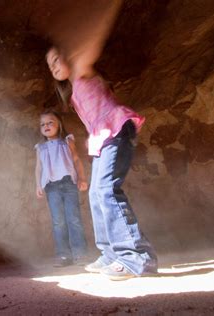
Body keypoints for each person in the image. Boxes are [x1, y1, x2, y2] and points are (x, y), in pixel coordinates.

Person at [45, 39, 158, 279]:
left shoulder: (82, 71)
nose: (52, 67)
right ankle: (110, 253)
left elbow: (89, 44)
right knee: (96, 194)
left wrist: (69, 33)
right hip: (103, 137)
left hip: (116, 129)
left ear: (71, 55)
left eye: (56, 59)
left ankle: (136, 257)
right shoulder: (74, 89)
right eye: (49, 64)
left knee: (107, 190)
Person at [35, 109, 88, 267]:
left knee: (74, 219)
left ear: (59, 125)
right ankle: (63, 255)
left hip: (68, 183)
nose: (46, 126)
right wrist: (38, 184)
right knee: (58, 221)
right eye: (42, 124)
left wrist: (82, 178)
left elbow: (77, 160)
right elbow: (38, 167)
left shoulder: (67, 141)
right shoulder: (40, 147)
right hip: (51, 187)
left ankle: (80, 254)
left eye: (50, 122)